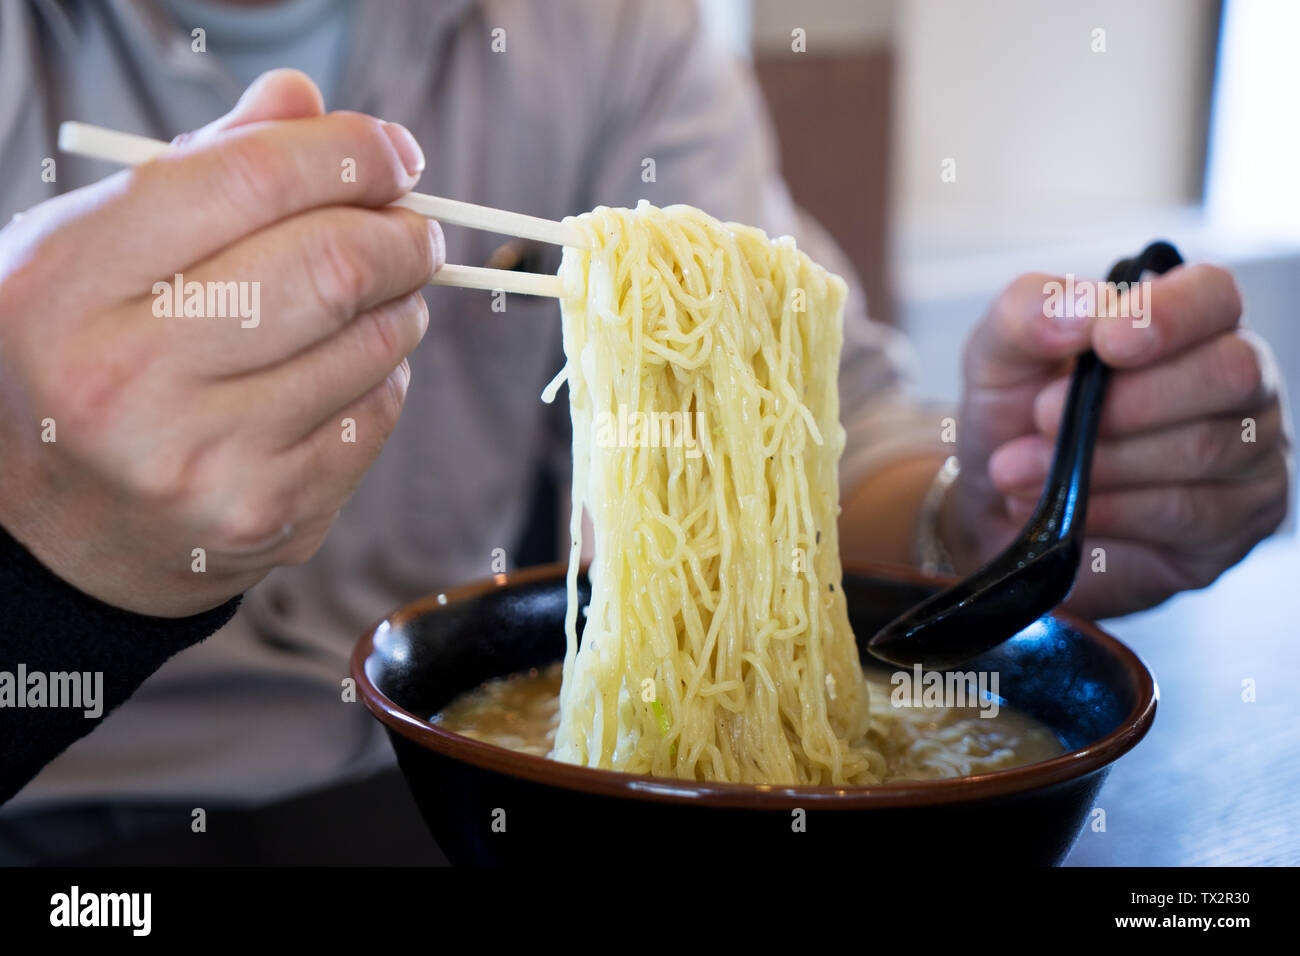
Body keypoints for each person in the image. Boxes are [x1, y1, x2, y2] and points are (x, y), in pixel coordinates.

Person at [0, 0, 1290, 861]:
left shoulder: (607, 28)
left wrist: (988, 508)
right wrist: (32, 528)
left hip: (463, 796)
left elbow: (826, 441)